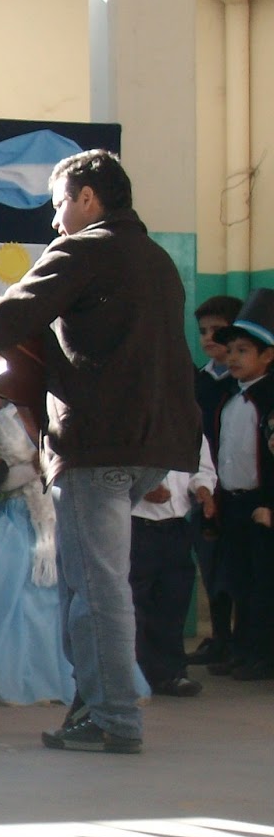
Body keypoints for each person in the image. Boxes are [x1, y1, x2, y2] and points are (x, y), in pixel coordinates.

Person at [0, 149, 199, 753]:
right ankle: (93, 703)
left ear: (86, 198)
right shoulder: (157, 260)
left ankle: (113, 718)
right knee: (92, 582)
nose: (55, 221)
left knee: (94, 587)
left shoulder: (82, 250)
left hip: (99, 444)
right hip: (156, 443)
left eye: (59, 206)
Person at [0, 389, 76, 705]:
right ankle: (12, 680)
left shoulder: (61, 414)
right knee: (10, 602)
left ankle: (59, 681)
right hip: (13, 522)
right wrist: (33, 468)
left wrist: (45, 466)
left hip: (57, 518)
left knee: (56, 603)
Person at [204, 288, 274, 681]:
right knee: (238, 581)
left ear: (268, 356)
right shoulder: (229, 399)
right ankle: (242, 650)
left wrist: (270, 503)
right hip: (232, 504)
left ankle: (263, 655)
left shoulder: (269, 400)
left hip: (261, 506)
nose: (232, 357)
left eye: (244, 351)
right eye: (230, 350)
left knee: (264, 584)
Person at [131, 438, 217, 697]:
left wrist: (203, 489)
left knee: (173, 600)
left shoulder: (189, 424)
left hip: (176, 526)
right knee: (136, 603)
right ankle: (137, 675)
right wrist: (141, 489)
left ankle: (172, 673)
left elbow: (201, 468)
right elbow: (116, 468)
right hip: (137, 524)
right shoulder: (131, 421)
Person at [185, 294, 242, 667]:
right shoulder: (198, 381)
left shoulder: (244, 383)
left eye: (218, 331)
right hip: (204, 485)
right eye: (203, 331)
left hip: (237, 486)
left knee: (239, 567)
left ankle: (242, 640)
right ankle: (220, 636)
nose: (209, 338)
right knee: (210, 563)